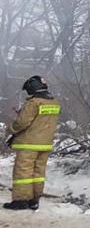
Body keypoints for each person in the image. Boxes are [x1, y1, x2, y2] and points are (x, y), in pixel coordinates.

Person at [3, 76, 60, 212]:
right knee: (38, 172)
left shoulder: (33, 103)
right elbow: (41, 121)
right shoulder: (54, 103)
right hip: (45, 144)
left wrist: (10, 128)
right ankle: (34, 200)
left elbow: (22, 123)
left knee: (23, 172)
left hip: (29, 144)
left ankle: (21, 200)